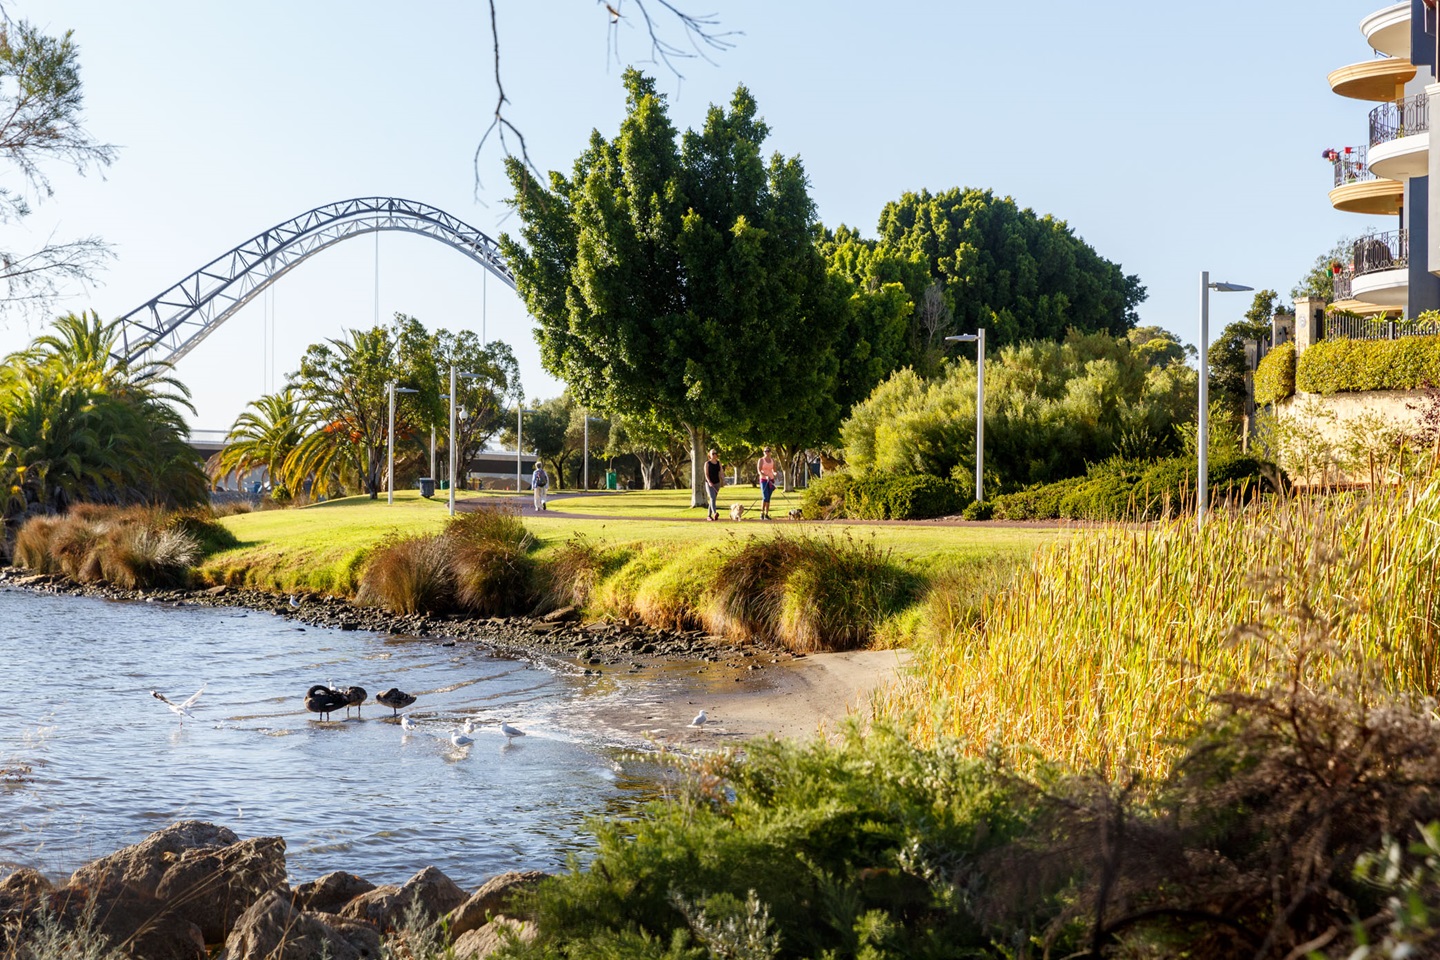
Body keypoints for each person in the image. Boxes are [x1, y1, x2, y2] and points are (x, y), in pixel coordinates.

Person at [756, 446, 778, 520]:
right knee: (765, 497)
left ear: (770, 452)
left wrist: (774, 473)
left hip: (771, 480)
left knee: (768, 498)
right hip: (764, 480)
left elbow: (774, 470)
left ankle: (766, 514)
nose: (767, 452)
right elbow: (759, 471)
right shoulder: (761, 460)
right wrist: (765, 476)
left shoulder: (772, 460)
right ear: (763, 452)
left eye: (768, 451)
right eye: (765, 451)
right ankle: (761, 513)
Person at [703, 449, 723, 521]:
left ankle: (709, 516)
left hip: (717, 483)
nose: (714, 454)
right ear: (710, 455)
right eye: (713, 453)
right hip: (709, 484)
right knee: (712, 497)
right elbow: (706, 474)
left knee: (713, 500)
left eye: (715, 453)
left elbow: (721, 472)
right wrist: (709, 482)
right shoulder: (707, 463)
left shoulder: (718, 463)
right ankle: (715, 513)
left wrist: (723, 479)